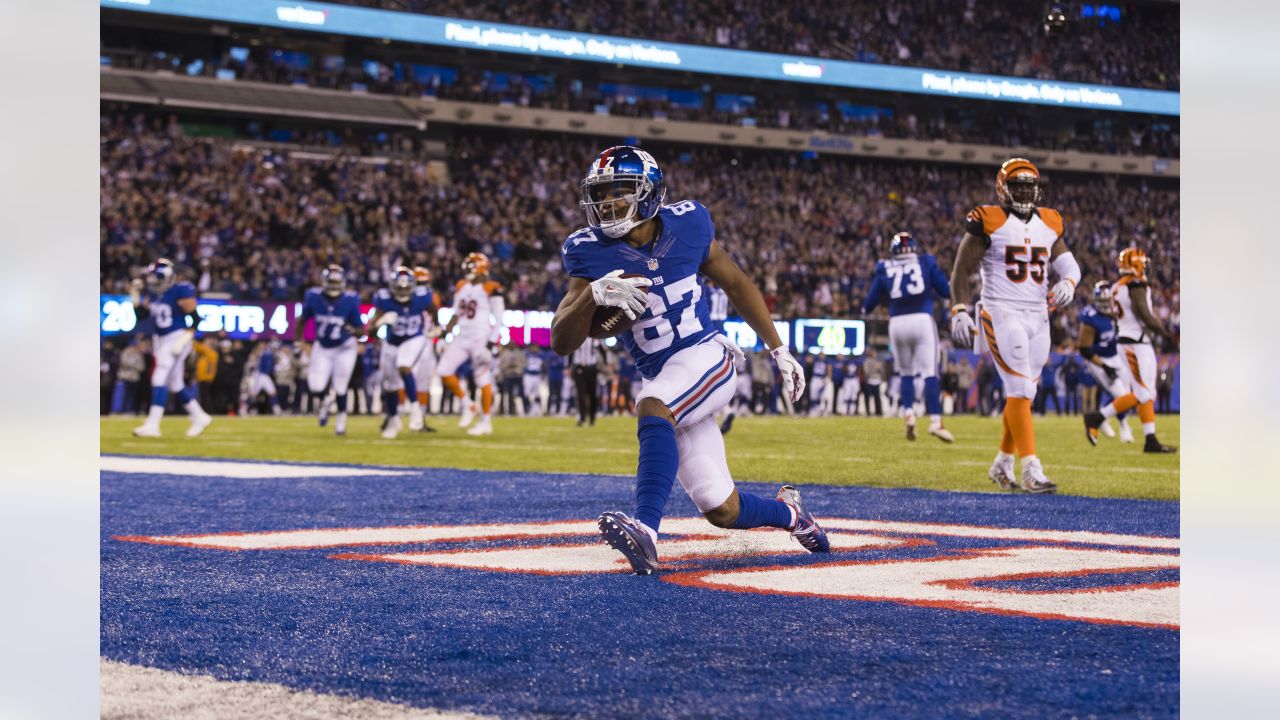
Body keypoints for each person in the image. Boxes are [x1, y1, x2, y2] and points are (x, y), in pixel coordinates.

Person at [552, 145, 827, 576]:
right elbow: (562, 340)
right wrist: (592, 294)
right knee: (721, 507)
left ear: (648, 192)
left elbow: (737, 282)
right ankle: (793, 515)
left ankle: (645, 530)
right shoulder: (588, 251)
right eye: (600, 194)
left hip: (707, 357)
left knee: (652, 405)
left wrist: (779, 348)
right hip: (666, 376)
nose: (607, 204)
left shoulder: (689, 223)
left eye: (619, 192)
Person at [949, 158, 1081, 493]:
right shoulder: (989, 219)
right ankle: (1031, 468)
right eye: (1017, 185)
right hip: (1001, 311)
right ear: (1003, 187)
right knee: (1021, 389)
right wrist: (959, 309)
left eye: (1028, 185)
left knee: (1025, 392)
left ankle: (1002, 462)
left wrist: (1068, 282)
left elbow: (1070, 265)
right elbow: (961, 269)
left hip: (1039, 314)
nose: (1024, 191)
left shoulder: (1050, 221)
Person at [861, 231, 954, 442]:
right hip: (922, 319)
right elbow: (945, 291)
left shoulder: (884, 267)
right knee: (930, 372)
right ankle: (935, 422)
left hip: (897, 323)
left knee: (906, 373)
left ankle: (909, 414)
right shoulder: (925, 261)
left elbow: (868, 304)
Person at [1084, 248, 1178, 453]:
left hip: (1132, 341)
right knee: (1142, 393)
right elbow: (1144, 313)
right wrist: (1165, 334)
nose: (1146, 267)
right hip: (1134, 343)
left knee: (1145, 392)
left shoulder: (1118, 286)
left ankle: (1150, 439)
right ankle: (1097, 417)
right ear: (1136, 265)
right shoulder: (1135, 285)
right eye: (1143, 263)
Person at [130, 258, 214, 437]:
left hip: (177, 337)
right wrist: (134, 294)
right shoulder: (154, 293)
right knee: (175, 384)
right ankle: (199, 416)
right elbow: (140, 315)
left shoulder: (181, 290)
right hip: (160, 340)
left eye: (156, 278)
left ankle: (152, 425)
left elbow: (196, 318)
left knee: (159, 377)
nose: (153, 281)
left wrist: (187, 337)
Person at [438, 253, 505, 436]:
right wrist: (445, 335)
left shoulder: (491, 287)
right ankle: (468, 404)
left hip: (480, 340)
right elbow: (455, 314)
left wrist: (490, 343)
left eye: (470, 267)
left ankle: (486, 422)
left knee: (482, 379)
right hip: (462, 337)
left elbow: (499, 318)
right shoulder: (461, 286)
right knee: (443, 370)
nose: (467, 271)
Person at [369, 266, 439, 439]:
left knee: (404, 366)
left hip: (414, 338)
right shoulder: (383, 300)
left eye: (406, 287)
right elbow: (369, 332)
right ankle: (393, 419)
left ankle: (415, 408)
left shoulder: (422, 297)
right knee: (390, 386)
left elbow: (432, 310)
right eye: (399, 288)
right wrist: (380, 322)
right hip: (392, 343)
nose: (403, 291)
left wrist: (438, 326)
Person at [296, 264, 364, 436]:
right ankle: (327, 399)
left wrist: (352, 330)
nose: (333, 286)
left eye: (336, 283)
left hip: (344, 347)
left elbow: (361, 331)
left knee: (341, 387)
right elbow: (302, 320)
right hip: (323, 346)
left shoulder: (350, 299)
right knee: (315, 385)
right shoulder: (314, 297)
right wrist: (299, 340)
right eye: (331, 282)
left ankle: (341, 419)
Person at [1076, 281, 1133, 442]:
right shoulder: (1090, 317)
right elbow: (1084, 350)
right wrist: (1104, 366)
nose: (1106, 305)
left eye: (1108, 301)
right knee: (1120, 394)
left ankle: (1102, 415)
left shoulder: (1116, 312)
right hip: (1097, 359)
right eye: (1102, 301)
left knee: (1127, 394)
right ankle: (1124, 426)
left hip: (1115, 355)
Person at [409, 266, 440, 432]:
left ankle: (419, 418)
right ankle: (398, 416)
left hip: (425, 342)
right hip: (415, 342)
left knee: (422, 383)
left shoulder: (425, 296)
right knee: (411, 381)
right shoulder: (425, 296)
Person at [569, 337, 603, 426]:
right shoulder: (576, 338)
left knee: (592, 394)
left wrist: (605, 364)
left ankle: (592, 418)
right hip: (579, 368)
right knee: (580, 394)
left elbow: (602, 351)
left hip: (591, 369)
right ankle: (582, 417)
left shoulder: (595, 339)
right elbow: (570, 353)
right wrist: (568, 367)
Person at [859, 348, 885, 417]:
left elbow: (881, 371)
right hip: (869, 381)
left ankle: (878, 411)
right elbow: (866, 371)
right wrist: (875, 372)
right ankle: (868, 412)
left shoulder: (878, 361)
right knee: (867, 397)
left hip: (877, 381)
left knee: (877, 398)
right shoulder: (867, 361)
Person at [522, 346, 546, 416]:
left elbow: (544, 366)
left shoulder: (541, 355)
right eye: (533, 347)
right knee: (527, 392)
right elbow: (523, 364)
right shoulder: (526, 354)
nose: (534, 349)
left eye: (536, 347)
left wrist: (543, 374)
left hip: (537, 375)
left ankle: (536, 408)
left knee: (537, 393)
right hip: (528, 375)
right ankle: (527, 408)